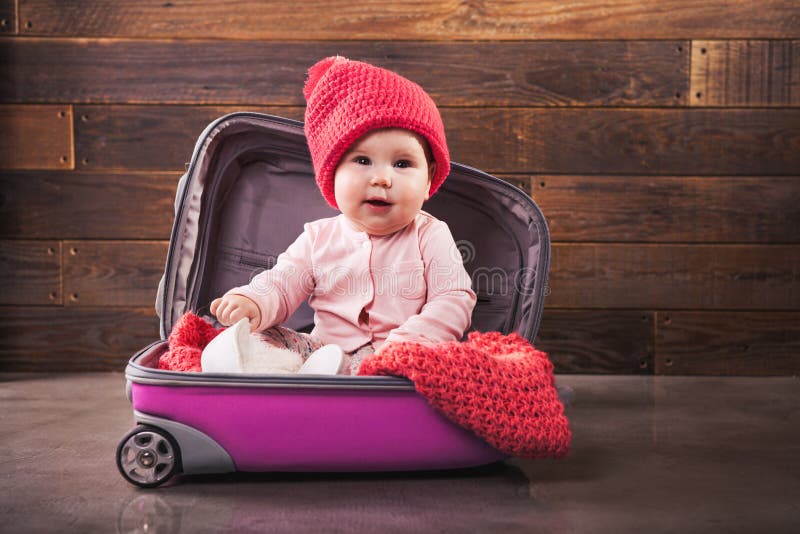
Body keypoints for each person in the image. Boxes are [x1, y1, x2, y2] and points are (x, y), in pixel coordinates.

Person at [209, 56, 476, 375]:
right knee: (265, 337)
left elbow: (453, 298)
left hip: (402, 355)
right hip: (322, 349)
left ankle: (317, 376)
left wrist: (410, 342)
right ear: (332, 173)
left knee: (453, 360)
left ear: (429, 179)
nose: (382, 179)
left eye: (402, 164)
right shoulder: (317, 237)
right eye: (362, 161)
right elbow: (283, 282)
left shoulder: (429, 234)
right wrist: (253, 301)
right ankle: (277, 364)